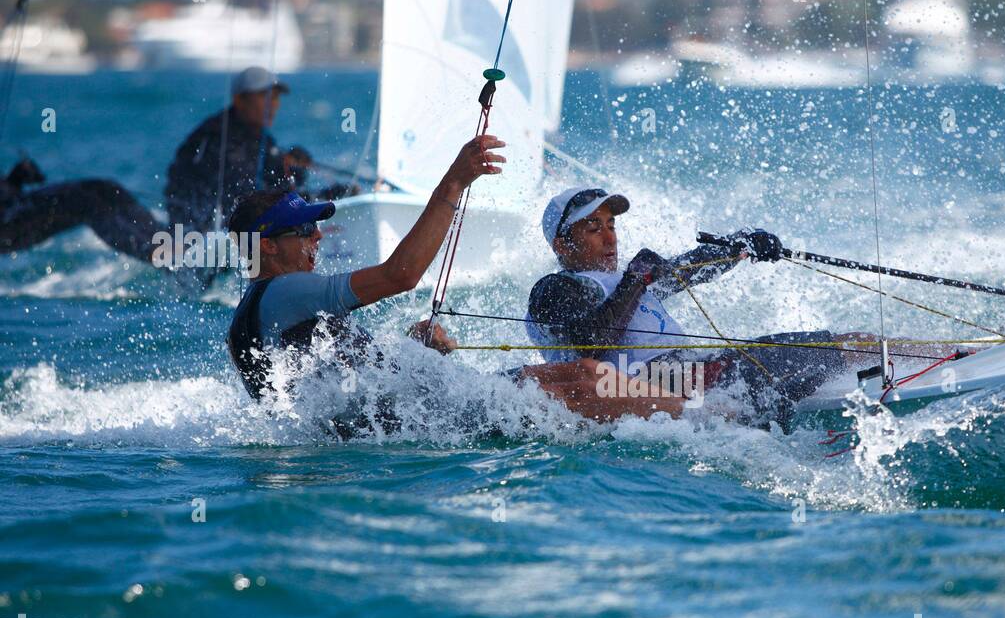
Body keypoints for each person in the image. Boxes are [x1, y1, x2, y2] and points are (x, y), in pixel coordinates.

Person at [225, 134, 686, 436]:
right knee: (587, 377)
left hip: (419, 416)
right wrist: (455, 181)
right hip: (434, 418)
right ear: (266, 247)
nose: (318, 237)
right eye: (304, 232)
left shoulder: (261, 310)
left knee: (581, 375)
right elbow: (400, 274)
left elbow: (338, 387)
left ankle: (694, 412)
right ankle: (712, 423)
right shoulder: (282, 292)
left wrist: (415, 351)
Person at [524, 187, 877, 426]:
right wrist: (635, 279)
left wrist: (741, 245)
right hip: (645, 387)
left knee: (848, 341)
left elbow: (691, 268)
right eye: (593, 228)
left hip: (685, 373)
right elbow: (592, 344)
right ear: (562, 243)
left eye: (611, 225)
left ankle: (924, 354)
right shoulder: (554, 288)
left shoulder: (622, 281)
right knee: (834, 349)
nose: (610, 237)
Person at [166, 66, 354, 241]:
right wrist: (320, 198)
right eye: (265, 96)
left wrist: (293, 166)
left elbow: (280, 182)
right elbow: (247, 198)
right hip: (199, 237)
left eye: (276, 97)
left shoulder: (257, 135)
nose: (272, 104)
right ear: (239, 100)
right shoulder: (220, 138)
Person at [0, 155, 165, 263]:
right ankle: (159, 257)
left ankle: (167, 240)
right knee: (85, 202)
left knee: (106, 188)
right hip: (6, 227)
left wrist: (15, 179)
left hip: (14, 207)